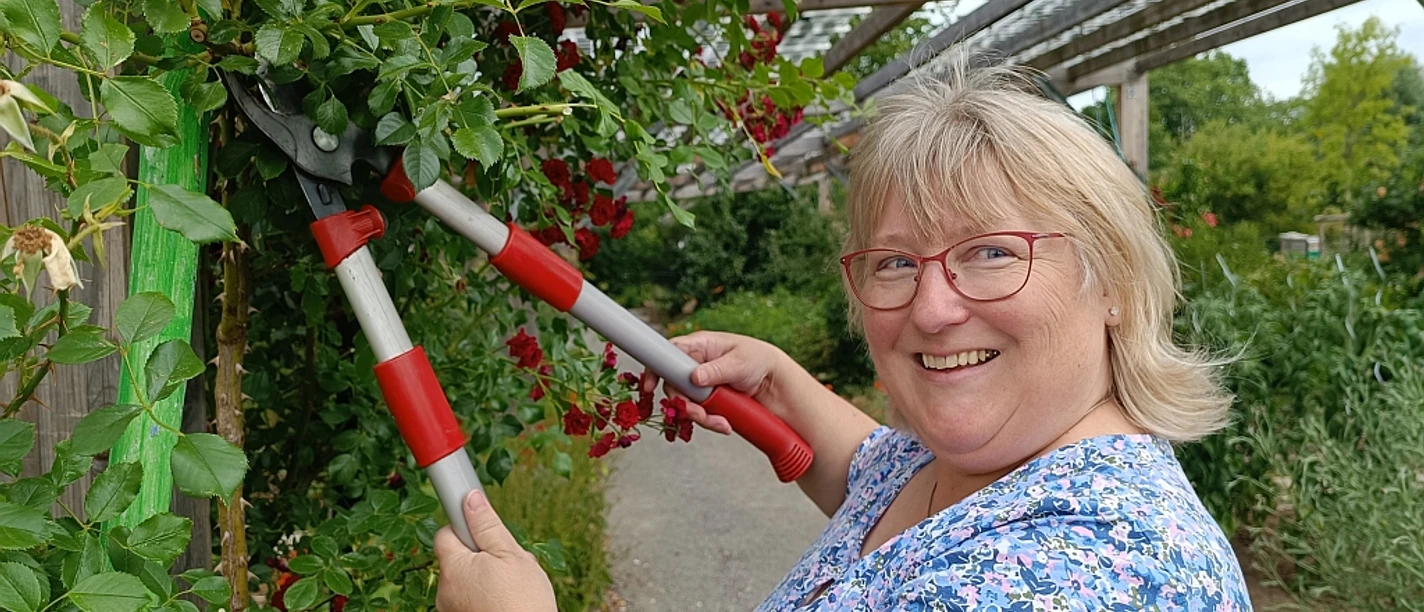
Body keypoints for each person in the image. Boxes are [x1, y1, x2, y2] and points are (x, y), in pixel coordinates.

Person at [434, 54, 1253, 611]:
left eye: (993, 252)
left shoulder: (1081, 576)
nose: (932, 310)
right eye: (895, 264)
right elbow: (873, 475)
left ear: (1110, 277)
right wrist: (788, 382)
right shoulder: (987, 465)